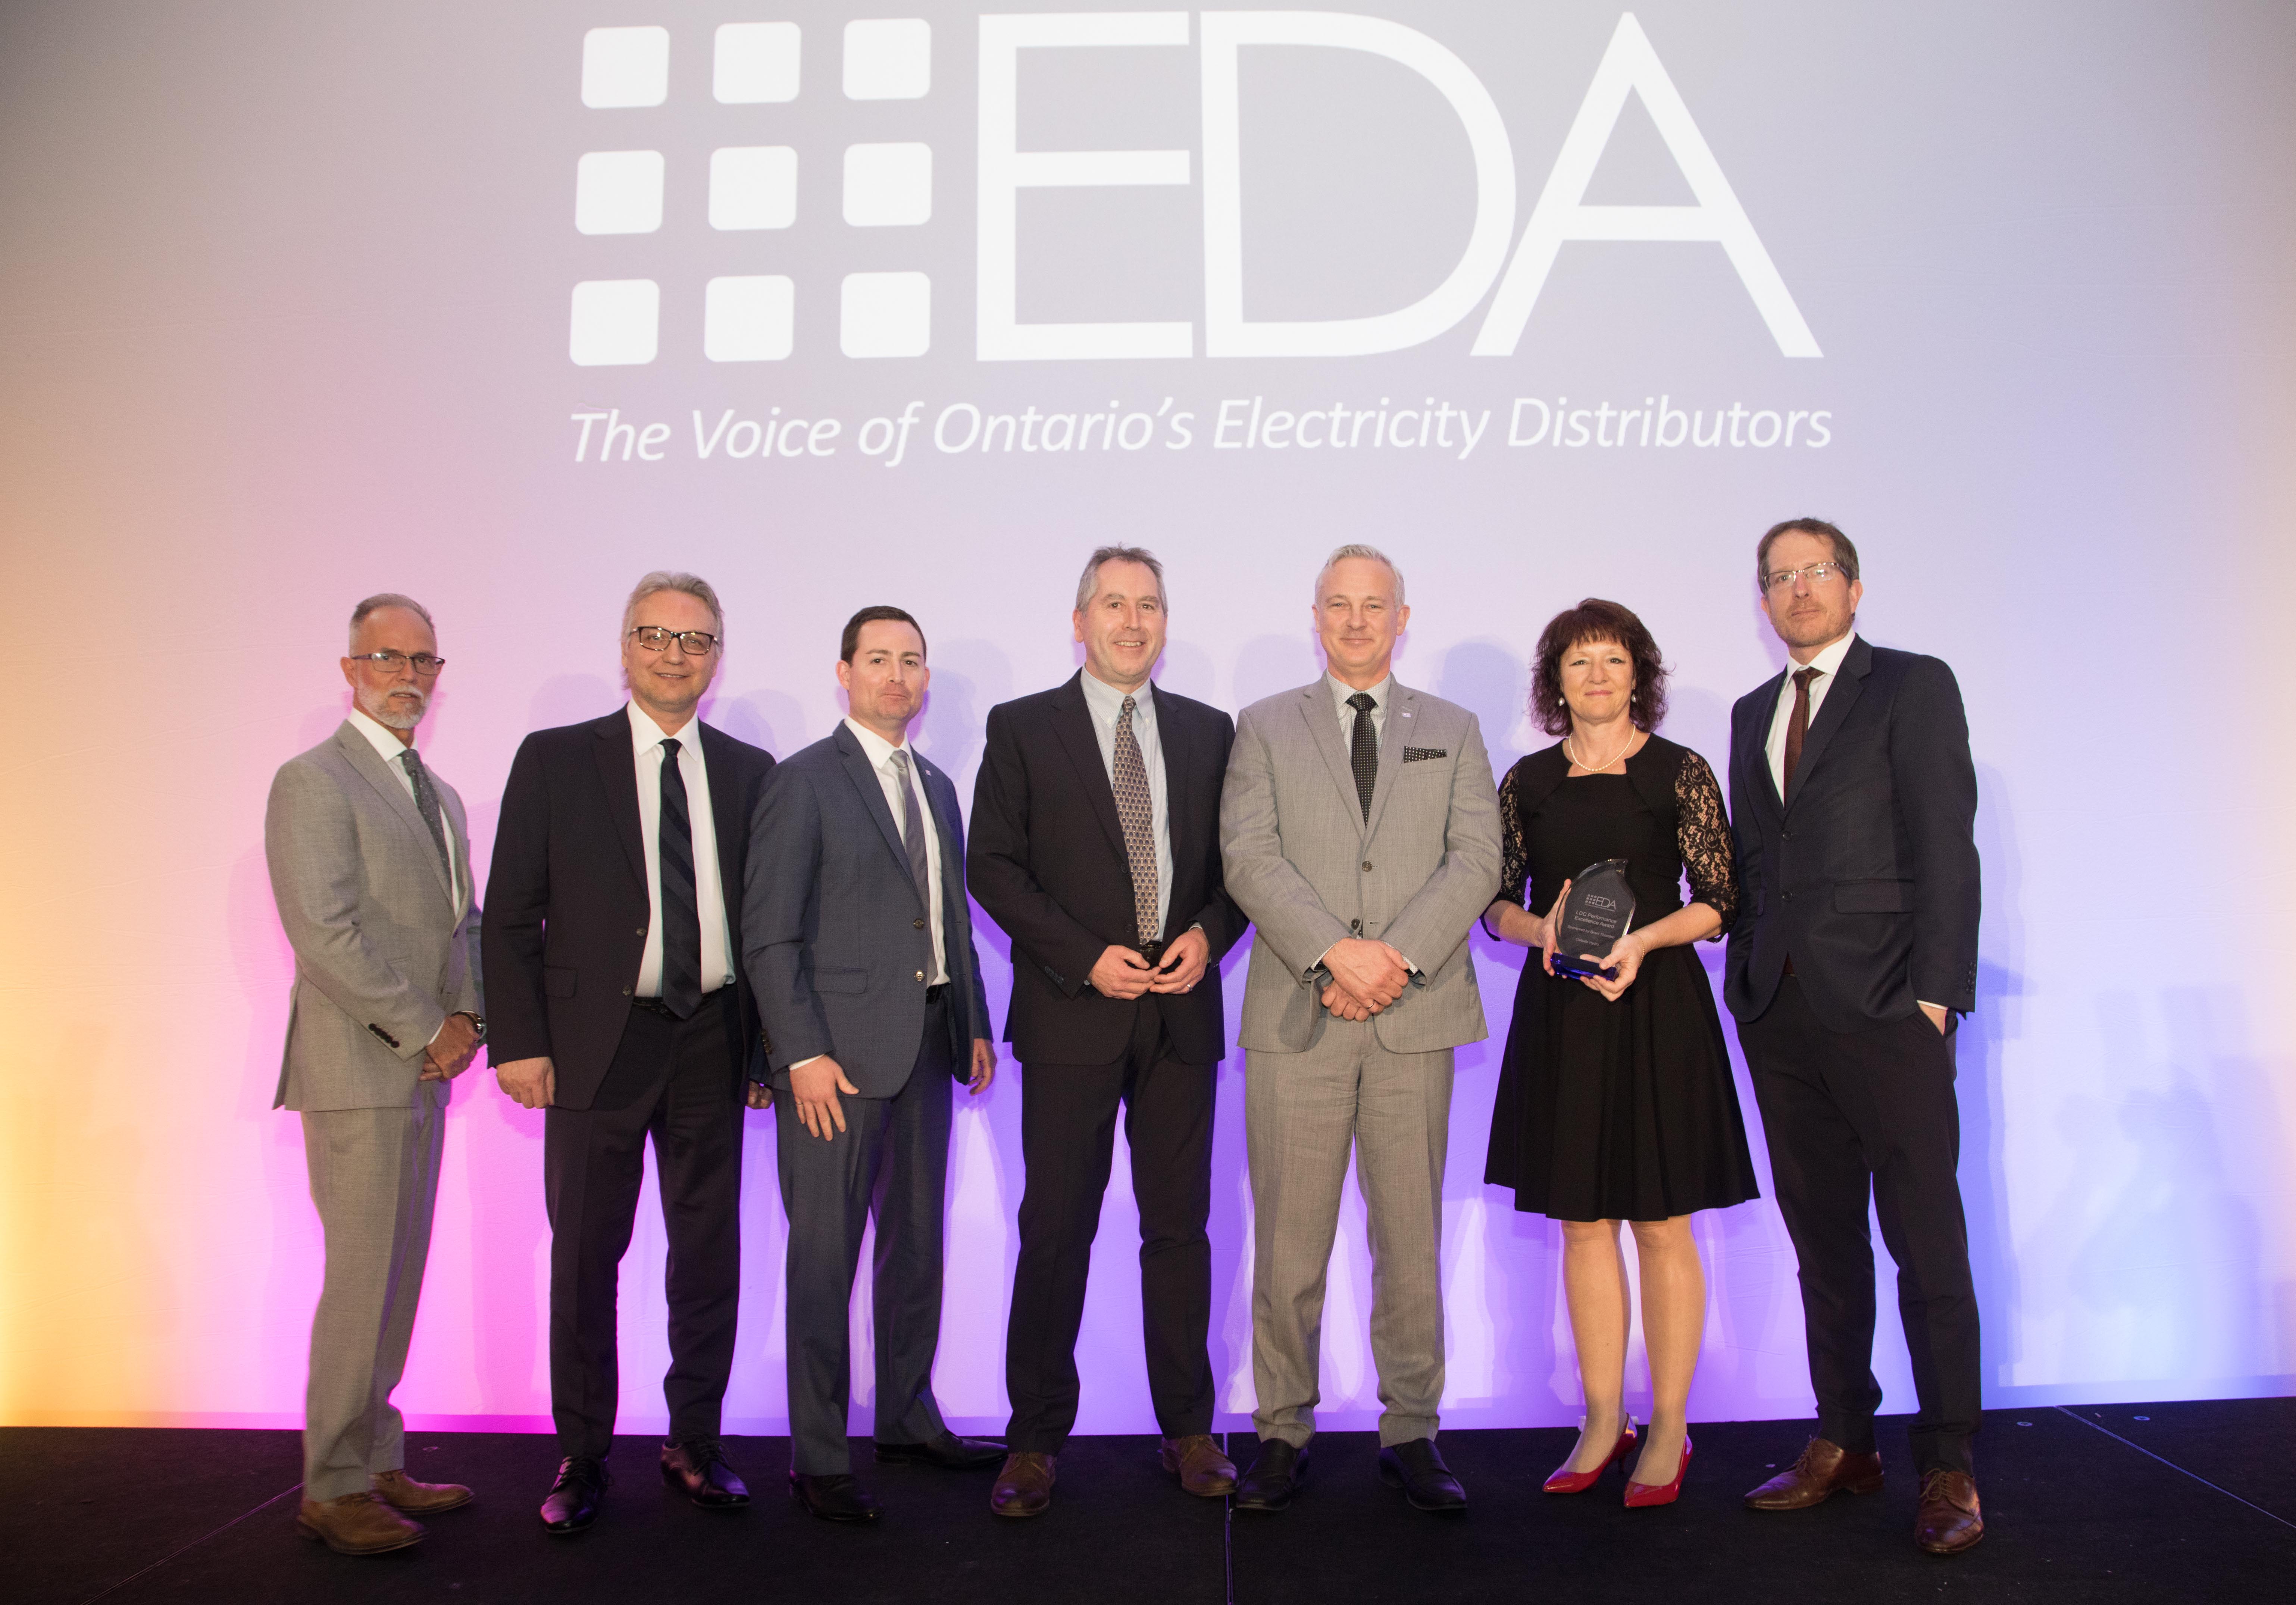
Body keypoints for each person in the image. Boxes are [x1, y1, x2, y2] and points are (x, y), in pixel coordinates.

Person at [483, 573, 777, 1535]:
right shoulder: (557, 759)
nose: (673, 653)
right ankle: (583, 1451)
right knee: (585, 1259)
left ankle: (694, 1440)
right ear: (625, 647)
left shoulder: (748, 771)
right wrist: (519, 1045)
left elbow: (772, 927)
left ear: (716, 658)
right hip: (588, 1049)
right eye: (655, 635)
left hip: (712, 1041)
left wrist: (765, 1055)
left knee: (707, 1255)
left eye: (694, 640)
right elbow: (509, 916)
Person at [1219, 544, 1502, 1515]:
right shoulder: (1262, 727)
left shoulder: (1455, 729)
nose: (1354, 621)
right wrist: (1337, 954)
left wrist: (1394, 960)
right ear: (1315, 614)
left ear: (1401, 616)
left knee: (1410, 1241)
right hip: (1300, 1015)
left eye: (1371, 606)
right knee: (1288, 1247)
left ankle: (1413, 1432)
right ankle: (1281, 1432)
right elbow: (1249, 858)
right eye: (1337, 605)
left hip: (1412, 1019)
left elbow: (1477, 861)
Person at [968, 546, 1248, 1518]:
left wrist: (1212, 935)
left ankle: (1190, 1431)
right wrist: (1083, 955)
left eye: (1151, 606)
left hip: (1180, 1015)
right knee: (1056, 1229)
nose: (1133, 621)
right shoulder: (1021, 728)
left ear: (1166, 622)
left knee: (1178, 1230)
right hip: (1070, 1010)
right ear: (1079, 619)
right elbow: (992, 868)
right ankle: (1036, 1440)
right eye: (1115, 604)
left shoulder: (1211, 734)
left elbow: (1238, 869)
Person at [1724, 520, 1984, 1555]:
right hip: (1782, 1017)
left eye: (1813, 573)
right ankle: (1844, 1440)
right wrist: (1747, 984)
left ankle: (1952, 1464)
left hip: (1889, 1008)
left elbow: (1946, 845)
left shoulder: (1912, 687)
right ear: (1763, 599)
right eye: (1778, 579)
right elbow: (1755, 857)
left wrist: (1936, 993)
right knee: (1823, 1246)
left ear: (1853, 587)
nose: (1796, 592)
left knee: (1927, 1245)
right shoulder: (1752, 712)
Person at [1481, 599, 1758, 1508]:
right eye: (1576, 662)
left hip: (1657, 1012)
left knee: (1660, 1222)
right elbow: (1492, 903)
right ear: (1552, 682)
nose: (1595, 676)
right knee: (1581, 1223)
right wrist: (1542, 932)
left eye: (1611, 659)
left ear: (1639, 672)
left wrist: (1641, 941)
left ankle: (1670, 1426)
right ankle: (1603, 1418)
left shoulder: (1677, 772)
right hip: (1561, 1013)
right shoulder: (1526, 780)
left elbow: (1719, 898)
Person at [744, 606, 1003, 1524]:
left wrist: (971, 1020)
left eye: (912, 662)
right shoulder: (804, 782)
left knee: (915, 1247)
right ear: (844, 672)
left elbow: (946, 919)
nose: (897, 676)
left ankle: (904, 1416)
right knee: (823, 1257)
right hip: (836, 1067)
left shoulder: (935, 784)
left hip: (929, 1047)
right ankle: (817, 1454)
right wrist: (799, 1055)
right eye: (880, 660)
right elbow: (769, 937)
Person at [265, 594, 485, 1555]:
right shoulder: (313, 781)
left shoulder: (434, 793)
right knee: (360, 1278)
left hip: (426, 1070)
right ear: (349, 668)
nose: (407, 675)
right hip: (359, 1069)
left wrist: (470, 1019)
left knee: (397, 1277)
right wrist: (427, 1027)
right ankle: (332, 1482)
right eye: (386, 657)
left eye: (423, 661)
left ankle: (377, 1453)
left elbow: (461, 926)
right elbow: (325, 934)